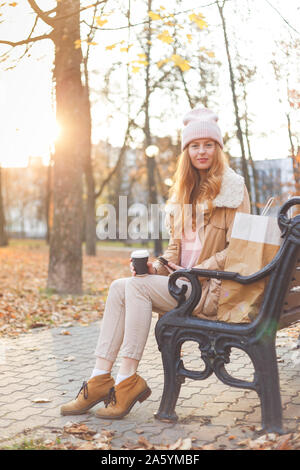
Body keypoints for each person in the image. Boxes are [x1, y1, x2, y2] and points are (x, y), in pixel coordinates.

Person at [60, 106, 250, 420]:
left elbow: (239, 251)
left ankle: (126, 379)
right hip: (183, 285)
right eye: (194, 145)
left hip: (211, 289)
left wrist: (194, 272)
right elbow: (175, 251)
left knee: (136, 289)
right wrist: (156, 267)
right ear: (186, 151)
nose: (201, 151)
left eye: (208, 144)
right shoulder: (183, 194)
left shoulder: (232, 189)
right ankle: (99, 377)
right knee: (121, 285)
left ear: (218, 149)